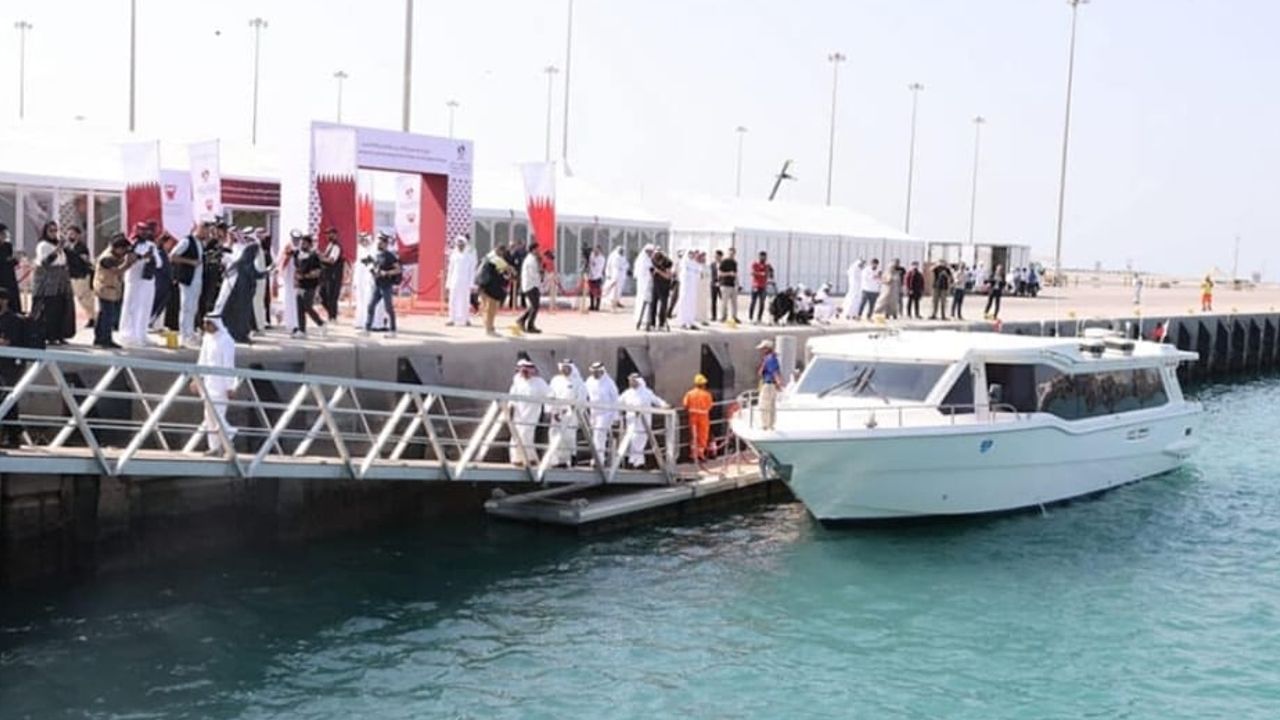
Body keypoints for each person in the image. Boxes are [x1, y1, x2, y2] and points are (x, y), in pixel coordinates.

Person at [194, 316, 240, 456]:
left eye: (208, 323)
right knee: (209, 415)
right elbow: (203, 359)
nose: (206, 326)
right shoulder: (207, 339)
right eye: (204, 323)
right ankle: (215, 446)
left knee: (218, 414)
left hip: (221, 384)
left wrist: (230, 386)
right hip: (208, 382)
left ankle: (228, 436)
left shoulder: (227, 341)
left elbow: (229, 365)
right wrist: (197, 378)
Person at [30, 221, 76, 346]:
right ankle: (49, 335)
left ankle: (59, 335)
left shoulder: (58, 245)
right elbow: (46, 262)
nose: (54, 233)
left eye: (56, 230)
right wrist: (58, 249)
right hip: (49, 283)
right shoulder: (43, 245)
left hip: (61, 280)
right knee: (50, 310)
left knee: (62, 308)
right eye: (51, 231)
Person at [215, 229, 262, 343]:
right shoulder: (230, 248)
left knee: (240, 311)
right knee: (222, 305)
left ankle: (238, 333)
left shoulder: (244, 248)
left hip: (241, 285)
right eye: (230, 234)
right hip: (231, 283)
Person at [119, 223, 159, 347]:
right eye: (141, 230)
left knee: (145, 308)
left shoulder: (151, 245)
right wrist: (142, 258)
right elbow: (127, 261)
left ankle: (141, 334)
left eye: (145, 230)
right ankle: (128, 335)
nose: (143, 233)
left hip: (147, 281)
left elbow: (159, 264)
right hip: (133, 281)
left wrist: (151, 259)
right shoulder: (130, 245)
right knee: (131, 308)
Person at [91, 235, 134, 348]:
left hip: (109, 289)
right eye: (123, 250)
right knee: (108, 316)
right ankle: (105, 339)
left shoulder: (114, 254)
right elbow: (118, 271)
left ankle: (99, 338)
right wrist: (129, 263)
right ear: (118, 248)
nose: (124, 253)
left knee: (103, 315)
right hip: (105, 289)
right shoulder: (107, 258)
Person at [618, 373, 668, 468]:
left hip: (643, 424)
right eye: (630, 381)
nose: (631, 383)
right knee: (632, 442)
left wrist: (664, 405)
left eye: (633, 381)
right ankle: (637, 463)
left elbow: (656, 400)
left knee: (639, 443)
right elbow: (618, 402)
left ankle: (634, 463)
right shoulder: (627, 393)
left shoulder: (646, 393)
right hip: (631, 423)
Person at [508, 358, 550, 467]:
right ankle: (517, 459)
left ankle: (528, 458)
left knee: (526, 435)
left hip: (532, 413)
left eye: (527, 370)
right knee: (516, 435)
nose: (525, 373)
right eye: (522, 370)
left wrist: (548, 411)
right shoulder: (517, 380)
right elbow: (512, 396)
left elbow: (550, 396)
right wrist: (510, 409)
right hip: (518, 413)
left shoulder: (539, 382)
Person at [170, 223, 206, 347]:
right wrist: (190, 262)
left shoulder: (200, 243)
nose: (206, 233)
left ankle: (190, 333)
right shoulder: (186, 241)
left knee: (193, 308)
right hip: (187, 279)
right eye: (204, 229)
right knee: (186, 307)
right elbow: (173, 256)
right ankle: (185, 335)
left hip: (197, 279)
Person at [547, 359, 588, 467]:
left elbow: (581, 398)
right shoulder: (555, 380)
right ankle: (557, 460)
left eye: (567, 368)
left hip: (571, 414)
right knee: (555, 435)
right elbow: (550, 395)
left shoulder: (578, 382)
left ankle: (571, 457)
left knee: (569, 436)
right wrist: (552, 410)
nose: (565, 370)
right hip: (556, 413)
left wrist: (574, 409)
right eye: (563, 368)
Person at [364, 233, 400, 337]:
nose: (379, 243)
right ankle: (367, 329)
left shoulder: (389, 256)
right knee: (370, 306)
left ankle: (393, 330)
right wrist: (373, 270)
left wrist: (387, 273)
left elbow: (398, 269)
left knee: (388, 308)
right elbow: (369, 263)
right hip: (377, 285)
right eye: (378, 241)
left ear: (385, 244)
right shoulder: (376, 254)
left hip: (386, 286)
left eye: (381, 241)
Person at [584, 361, 619, 465]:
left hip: (606, 413)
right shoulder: (589, 381)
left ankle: (599, 459)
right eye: (593, 372)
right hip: (593, 412)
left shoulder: (609, 383)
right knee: (595, 436)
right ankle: (596, 457)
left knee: (599, 434)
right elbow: (585, 394)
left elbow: (615, 399)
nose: (595, 374)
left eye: (597, 372)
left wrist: (615, 417)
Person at [196, 219, 227, 328]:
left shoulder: (219, 242)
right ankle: (202, 323)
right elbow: (206, 255)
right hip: (208, 272)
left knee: (213, 298)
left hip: (217, 273)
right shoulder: (211, 242)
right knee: (206, 299)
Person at [294, 235, 326, 336]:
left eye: (304, 243)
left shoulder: (313, 256)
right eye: (301, 243)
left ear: (309, 244)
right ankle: (301, 330)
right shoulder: (298, 255)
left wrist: (305, 276)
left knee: (307, 307)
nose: (302, 245)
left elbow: (317, 271)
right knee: (299, 308)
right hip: (300, 285)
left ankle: (321, 323)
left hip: (310, 286)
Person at [477, 244, 511, 337]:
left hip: (483, 285)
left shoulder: (487, 257)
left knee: (485, 307)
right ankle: (489, 328)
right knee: (491, 308)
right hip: (490, 287)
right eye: (502, 252)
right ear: (499, 250)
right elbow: (507, 269)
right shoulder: (495, 259)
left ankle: (488, 327)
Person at [64, 225, 95, 328]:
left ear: (78, 235)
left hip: (81, 275)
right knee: (80, 298)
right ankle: (91, 317)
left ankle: (93, 317)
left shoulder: (81, 247)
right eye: (68, 234)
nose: (70, 236)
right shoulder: (67, 247)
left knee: (85, 297)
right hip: (72, 275)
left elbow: (84, 260)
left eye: (72, 234)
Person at [682, 373, 714, 468]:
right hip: (703, 418)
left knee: (693, 436)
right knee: (702, 437)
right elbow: (710, 406)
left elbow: (685, 405)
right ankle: (700, 455)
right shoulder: (707, 394)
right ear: (703, 384)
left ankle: (693, 455)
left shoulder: (689, 394)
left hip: (693, 417)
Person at [446, 235, 476, 327]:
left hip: (465, 282)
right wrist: (448, 283)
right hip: (455, 281)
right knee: (452, 300)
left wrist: (471, 284)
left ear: (465, 244)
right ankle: (451, 319)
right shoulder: (453, 255)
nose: (460, 246)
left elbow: (472, 271)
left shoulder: (469, 256)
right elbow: (450, 270)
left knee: (465, 301)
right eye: (458, 244)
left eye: (462, 244)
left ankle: (466, 319)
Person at [514, 242, 543, 334]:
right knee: (535, 306)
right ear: (533, 250)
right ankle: (528, 324)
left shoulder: (533, 259)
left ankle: (523, 321)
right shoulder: (530, 260)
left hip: (533, 285)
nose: (539, 251)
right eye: (537, 249)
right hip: (530, 285)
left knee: (534, 306)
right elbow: (533, 274)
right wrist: (540, 274)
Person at [319, 227, 345, 322]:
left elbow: (332, 260)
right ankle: (331, 313)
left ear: (335, 235)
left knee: (332, 297)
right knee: (322, 295)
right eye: (327, 234)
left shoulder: (336, 247)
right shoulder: (329, 245)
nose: (328, 235)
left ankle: (333, 317)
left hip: (333, 276)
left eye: (330, 233)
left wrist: (320, 258)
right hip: (326, 276)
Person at [756, 339, 784, 431]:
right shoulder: (773, 358)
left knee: (764, 405)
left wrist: (779, 383)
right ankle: (770, 425)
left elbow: (774, 372)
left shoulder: (769, 359)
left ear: (767, 349)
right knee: (771, 405)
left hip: (768, 384)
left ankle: (765, 425)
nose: (761, 351)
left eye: (763, 349)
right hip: (772, 385)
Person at [277, 231, 300, 335]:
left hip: (298, 278)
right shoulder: (287, 247)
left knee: (297, 301)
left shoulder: (301, 248)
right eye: (295, 239)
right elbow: (281, 262)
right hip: (289, 278)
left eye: (298, 239)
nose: (296, 241)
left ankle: (297, 323)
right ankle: (290, 323)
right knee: (289, 300)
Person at [646, 249, 673, 332]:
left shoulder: (668, 263)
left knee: (663, 305)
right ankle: (652, 323)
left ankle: (661, 323)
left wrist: (659, 272)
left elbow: (668, 276)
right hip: (656, 285)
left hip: (664, 286)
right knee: (653, 304)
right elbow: (651, 273)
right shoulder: (653, 261)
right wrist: (653, 273)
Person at [676, 248, 702, 330]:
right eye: (690, 253)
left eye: (693, 253)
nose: (691, 255)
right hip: (685, 288)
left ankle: (691, 322)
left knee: (692, 304)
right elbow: (683, 275)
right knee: (684, 303)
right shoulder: (684, 263)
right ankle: (682, 322)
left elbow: (698, 275)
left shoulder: (695, 264)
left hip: (693, 288)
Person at [631, 244, 654, 328]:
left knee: (648, 301)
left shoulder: (649, 260)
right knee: (642, 300)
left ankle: (646, 319)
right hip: (643, 284)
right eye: (649, 251)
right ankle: (640, 318)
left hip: (648, 283)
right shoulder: (642, 260)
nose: (650, 253)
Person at [0, 224, 20, 314]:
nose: (4, 236)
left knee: (13, 300)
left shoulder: (7, 246)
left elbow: (11, 260)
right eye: (2, 234)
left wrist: (14, 260)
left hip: (9, 278)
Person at [749, 251, 773, 324]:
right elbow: (752, 273)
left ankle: (759, 318)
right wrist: (761, 274)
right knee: (753, 302)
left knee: (762, 303)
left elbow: (771, 274)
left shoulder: (767, 265)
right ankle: (751, 317)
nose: (763, 258)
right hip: (756, 285)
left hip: (763, 286)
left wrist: (770, 273)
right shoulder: (755, 264)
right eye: (761, 256)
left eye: (764, 257)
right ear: (759, 257)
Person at [718, 247, 740, 322]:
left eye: (733, 253)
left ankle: (734, 317)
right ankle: (723, 317)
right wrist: (729, 273)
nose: (732, 255)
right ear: (728, 253)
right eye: (730, 253)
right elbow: (720, 273)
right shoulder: (724, 261)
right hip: (725, 284)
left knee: (734, 303)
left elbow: (736, 273)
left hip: (733, 285)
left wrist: (737, 284)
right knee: (724, 302)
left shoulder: (735, 262)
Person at [603, 245, 628, 311]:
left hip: (621, 276)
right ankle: (611, 302)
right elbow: (608, 265)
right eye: (620, 251)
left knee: (619, 289)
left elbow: (626, 265)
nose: (622, 252)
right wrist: (608, 273)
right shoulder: (613, 256)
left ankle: (617, 301)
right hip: (614, 275)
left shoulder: (623, 257)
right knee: (613, 289)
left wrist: (624, 268)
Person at [587, 245, 605, 311]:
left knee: (598, 293)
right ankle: (592, 305)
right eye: (595, 250)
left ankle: (597, 306)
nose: (596, 251)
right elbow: (589, 264)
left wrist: (593, 263)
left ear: (600, 251)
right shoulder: (592, 255)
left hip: (598, 277)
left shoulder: (601, 258)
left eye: (597, 250)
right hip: (591, 276)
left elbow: (598, 268)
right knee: (591, 292)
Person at [710, 249, 722, 320]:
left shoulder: (723, 263)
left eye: (717, 256)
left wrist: (720, 282)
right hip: (713, 284)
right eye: (715, 256)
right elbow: (712, 274)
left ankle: (723, 316)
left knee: (723, 301)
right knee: (713, 301)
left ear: (721, 256)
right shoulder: (712, 264)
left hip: (721, 284)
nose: (716, 257)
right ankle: (714, 316)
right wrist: (714, 282)